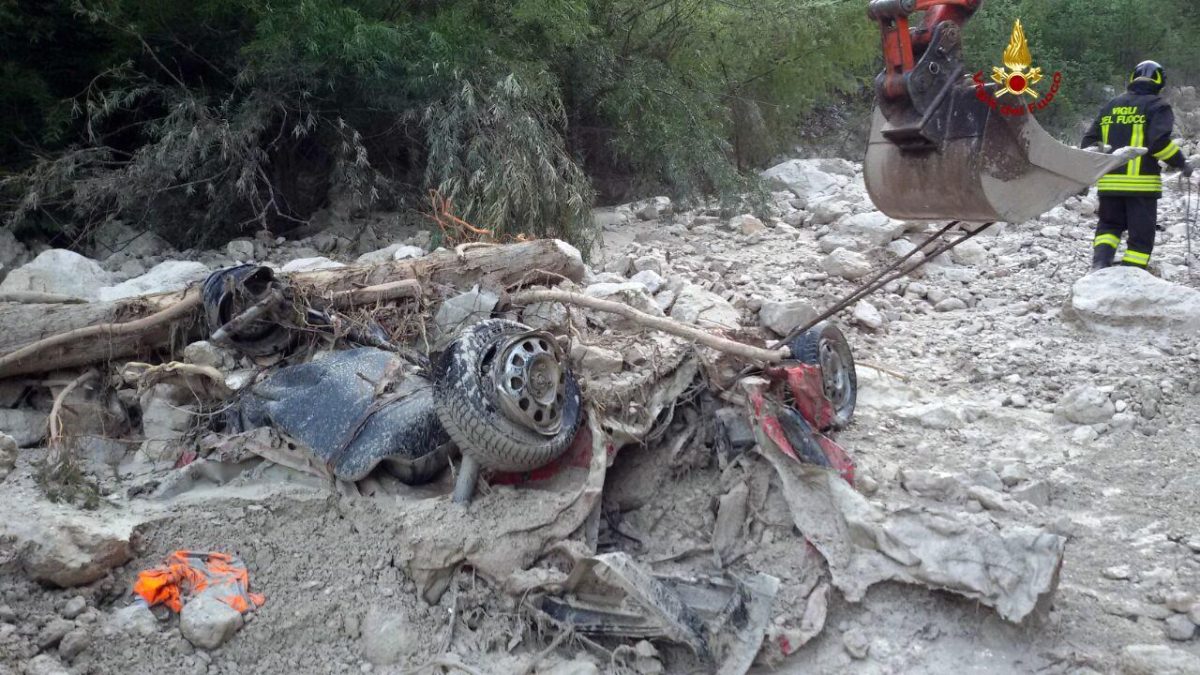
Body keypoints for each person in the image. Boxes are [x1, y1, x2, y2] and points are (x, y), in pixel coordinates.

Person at [1081, 60, 1193, 271]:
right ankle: (1132, 274)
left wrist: (1087, 175)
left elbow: (1088, 144)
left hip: (1109, 184)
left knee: (1108, 227)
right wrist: (1181, 162)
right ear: (1160, 82)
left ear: (1132, 78)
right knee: (1141, 235)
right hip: (1141, 186)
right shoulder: (1158, 106)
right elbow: (1158, 143)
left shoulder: (1111, 106)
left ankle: (1100, 265)